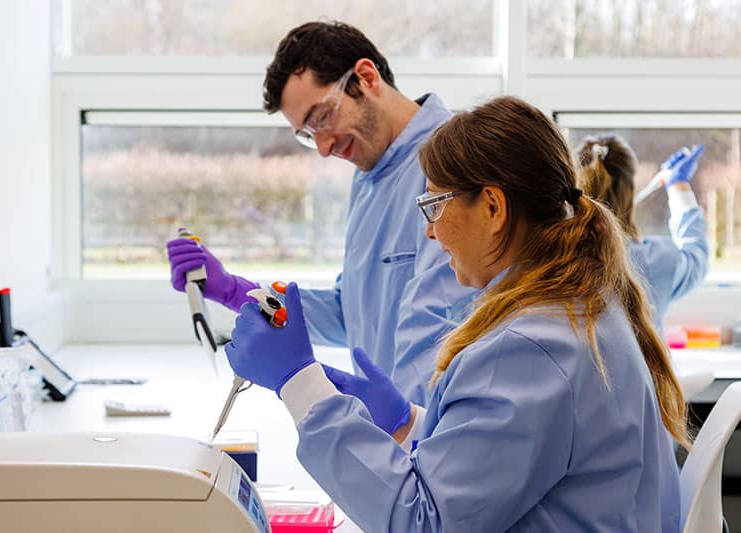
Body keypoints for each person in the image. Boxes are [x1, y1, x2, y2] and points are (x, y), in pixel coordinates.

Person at [224, 96, 687, 532]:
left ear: (492, 207)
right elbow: (512, 455)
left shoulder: (532, 347)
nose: (428, 231)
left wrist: (299, 385)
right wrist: (408, 422)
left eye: (434, 205)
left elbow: (424, 521)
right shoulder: (578, 305)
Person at [167, 21, 475, 406]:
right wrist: (234, 290)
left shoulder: (456, 160)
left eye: (321, 117)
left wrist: (395, 431)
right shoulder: (369, 178)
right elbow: (349, 316)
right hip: (397, 437)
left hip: (438, 430)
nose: (325, 148)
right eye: (308, 135)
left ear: (364, 78)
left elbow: (441, 330)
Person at [576, 135, 709, 331]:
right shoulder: (652, 260)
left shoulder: (558, 259)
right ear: (629, 191)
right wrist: (678, 186)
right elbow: (697, 257)